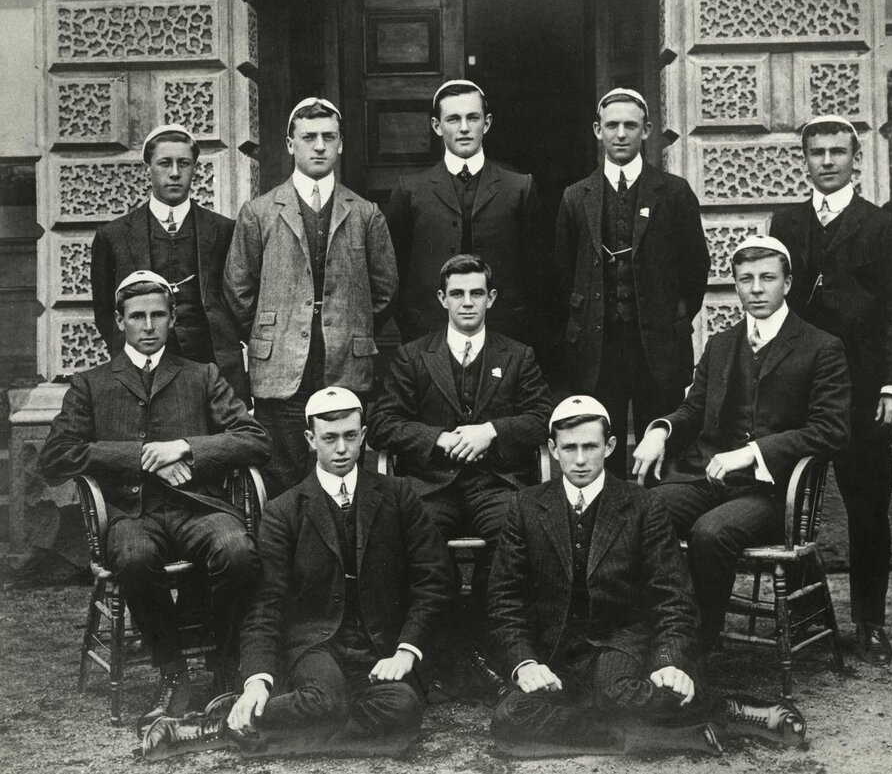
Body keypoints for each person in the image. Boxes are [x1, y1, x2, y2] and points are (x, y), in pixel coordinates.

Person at [141, 386, 453, 760]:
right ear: (310, 439)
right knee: (327, 700)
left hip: (379, 648)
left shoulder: (398, 496)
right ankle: (244, 719)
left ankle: (230, 727)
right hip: (315, 646)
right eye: (330, 438)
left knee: (403, 710)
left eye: (351, 437)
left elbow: (434, 579)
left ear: (364, 437)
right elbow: (265, 603)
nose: (342, 449)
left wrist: (406, 649)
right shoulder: (283, 510)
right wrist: (257, 680)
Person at [489, 395, 806, 756]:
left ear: (609, 446)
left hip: (618, 643)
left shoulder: (642, 505)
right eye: (569, 447)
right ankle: (657, 735)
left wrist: (671, 662)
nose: (579, 460)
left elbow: (673, 595)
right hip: (555, 650)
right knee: (509, 717)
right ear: (552, 448)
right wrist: (524, 663)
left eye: (590, 447)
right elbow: (505, 600)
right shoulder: (526, 506)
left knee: (615, 691)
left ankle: (731, 710)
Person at [38, 270, 270, 736]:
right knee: (135, 557)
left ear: (172, 319)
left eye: (158, 315)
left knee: (238, 550)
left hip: (197, 508)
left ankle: (225, 664)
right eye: (137, 316)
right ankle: (172, 670)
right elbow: (56, 457)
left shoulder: (200, 376)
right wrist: (143, 459)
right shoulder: (91, 383)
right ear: (118, 321)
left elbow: (254, 439)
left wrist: (185, 447)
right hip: (130, 514)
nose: (148, 326)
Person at [631, 236, 851, 653]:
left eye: (767, 277)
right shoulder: (721, 345)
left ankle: (697, 645)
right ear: (734, 285)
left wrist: (753, 452)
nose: (756, 288)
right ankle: (655, 630)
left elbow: (832, 429)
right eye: (745, 279)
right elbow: (692, 411)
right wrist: (659, 430)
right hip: (705, 476)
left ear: (787, 283)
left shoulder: (821, 347)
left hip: (771, 491)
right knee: (642, 511)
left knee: (711, 534)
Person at [769, 115, 892, 666]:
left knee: (867, 510)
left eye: (837, 151)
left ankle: (870, 623)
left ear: (856, 158)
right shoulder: (785, 224)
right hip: (800, 394)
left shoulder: (883, 227)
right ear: (803, 159)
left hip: (863, 393)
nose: (827, 161)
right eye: (816, 152)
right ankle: (807, 617)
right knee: (789, 507)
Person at [224, 97, 398, 497]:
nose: (319, 146)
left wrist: (347, 321)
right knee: (283, 472)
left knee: (342, 467)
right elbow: (238, 289)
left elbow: (385, 289)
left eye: (328, 137)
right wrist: (277, 329)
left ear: (340, 145)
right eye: (308, 137)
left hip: (344, 360)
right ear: (290, 144)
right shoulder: (260, 212)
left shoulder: (366, 213)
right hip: (282, 364)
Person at [366, 254, 552, 623]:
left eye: (476, 293)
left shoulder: (517, 356)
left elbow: (545, 418)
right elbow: (382, 422)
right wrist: (436, 439)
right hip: (431, 485)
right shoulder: (413, 356)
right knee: (419, 541)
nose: (467, 302)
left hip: (496, 484)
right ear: (442, 299)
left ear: (492, 298)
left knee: (517, 535)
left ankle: (499, 634)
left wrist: (492, 432)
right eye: (457, 294)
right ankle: (436, 643)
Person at [554, 88, 710, 476]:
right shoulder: (576, 197)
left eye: (630, 125)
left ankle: (660, 528)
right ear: (597, 130)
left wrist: (672, 320)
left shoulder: (674, 193)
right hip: (598, 347)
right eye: (612, 125)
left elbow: (696, 270)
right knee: (598, 451)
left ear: (647, 131)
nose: (620, 133)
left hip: (657, 346)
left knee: (659, 451)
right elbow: (562, 274)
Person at [90, 124, 249, 403]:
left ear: (195, 169)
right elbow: (105, 311)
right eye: (165, 163)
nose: (175, 173)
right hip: (145, 370)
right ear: (147, 169)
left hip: (214, 367)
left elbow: (240, 296)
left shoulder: (224, 230)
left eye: (184, 163)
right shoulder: (113, 236)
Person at [385, 80, 544, 346]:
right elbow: (393, 267)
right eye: (453, 119)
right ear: (437, 126)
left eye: (473, 118)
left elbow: (536, 272)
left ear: (487, 123)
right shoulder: (411, 189)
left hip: (504, 332)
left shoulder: (519, 186)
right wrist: (411, 319)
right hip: (428, 331)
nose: (464, 128)